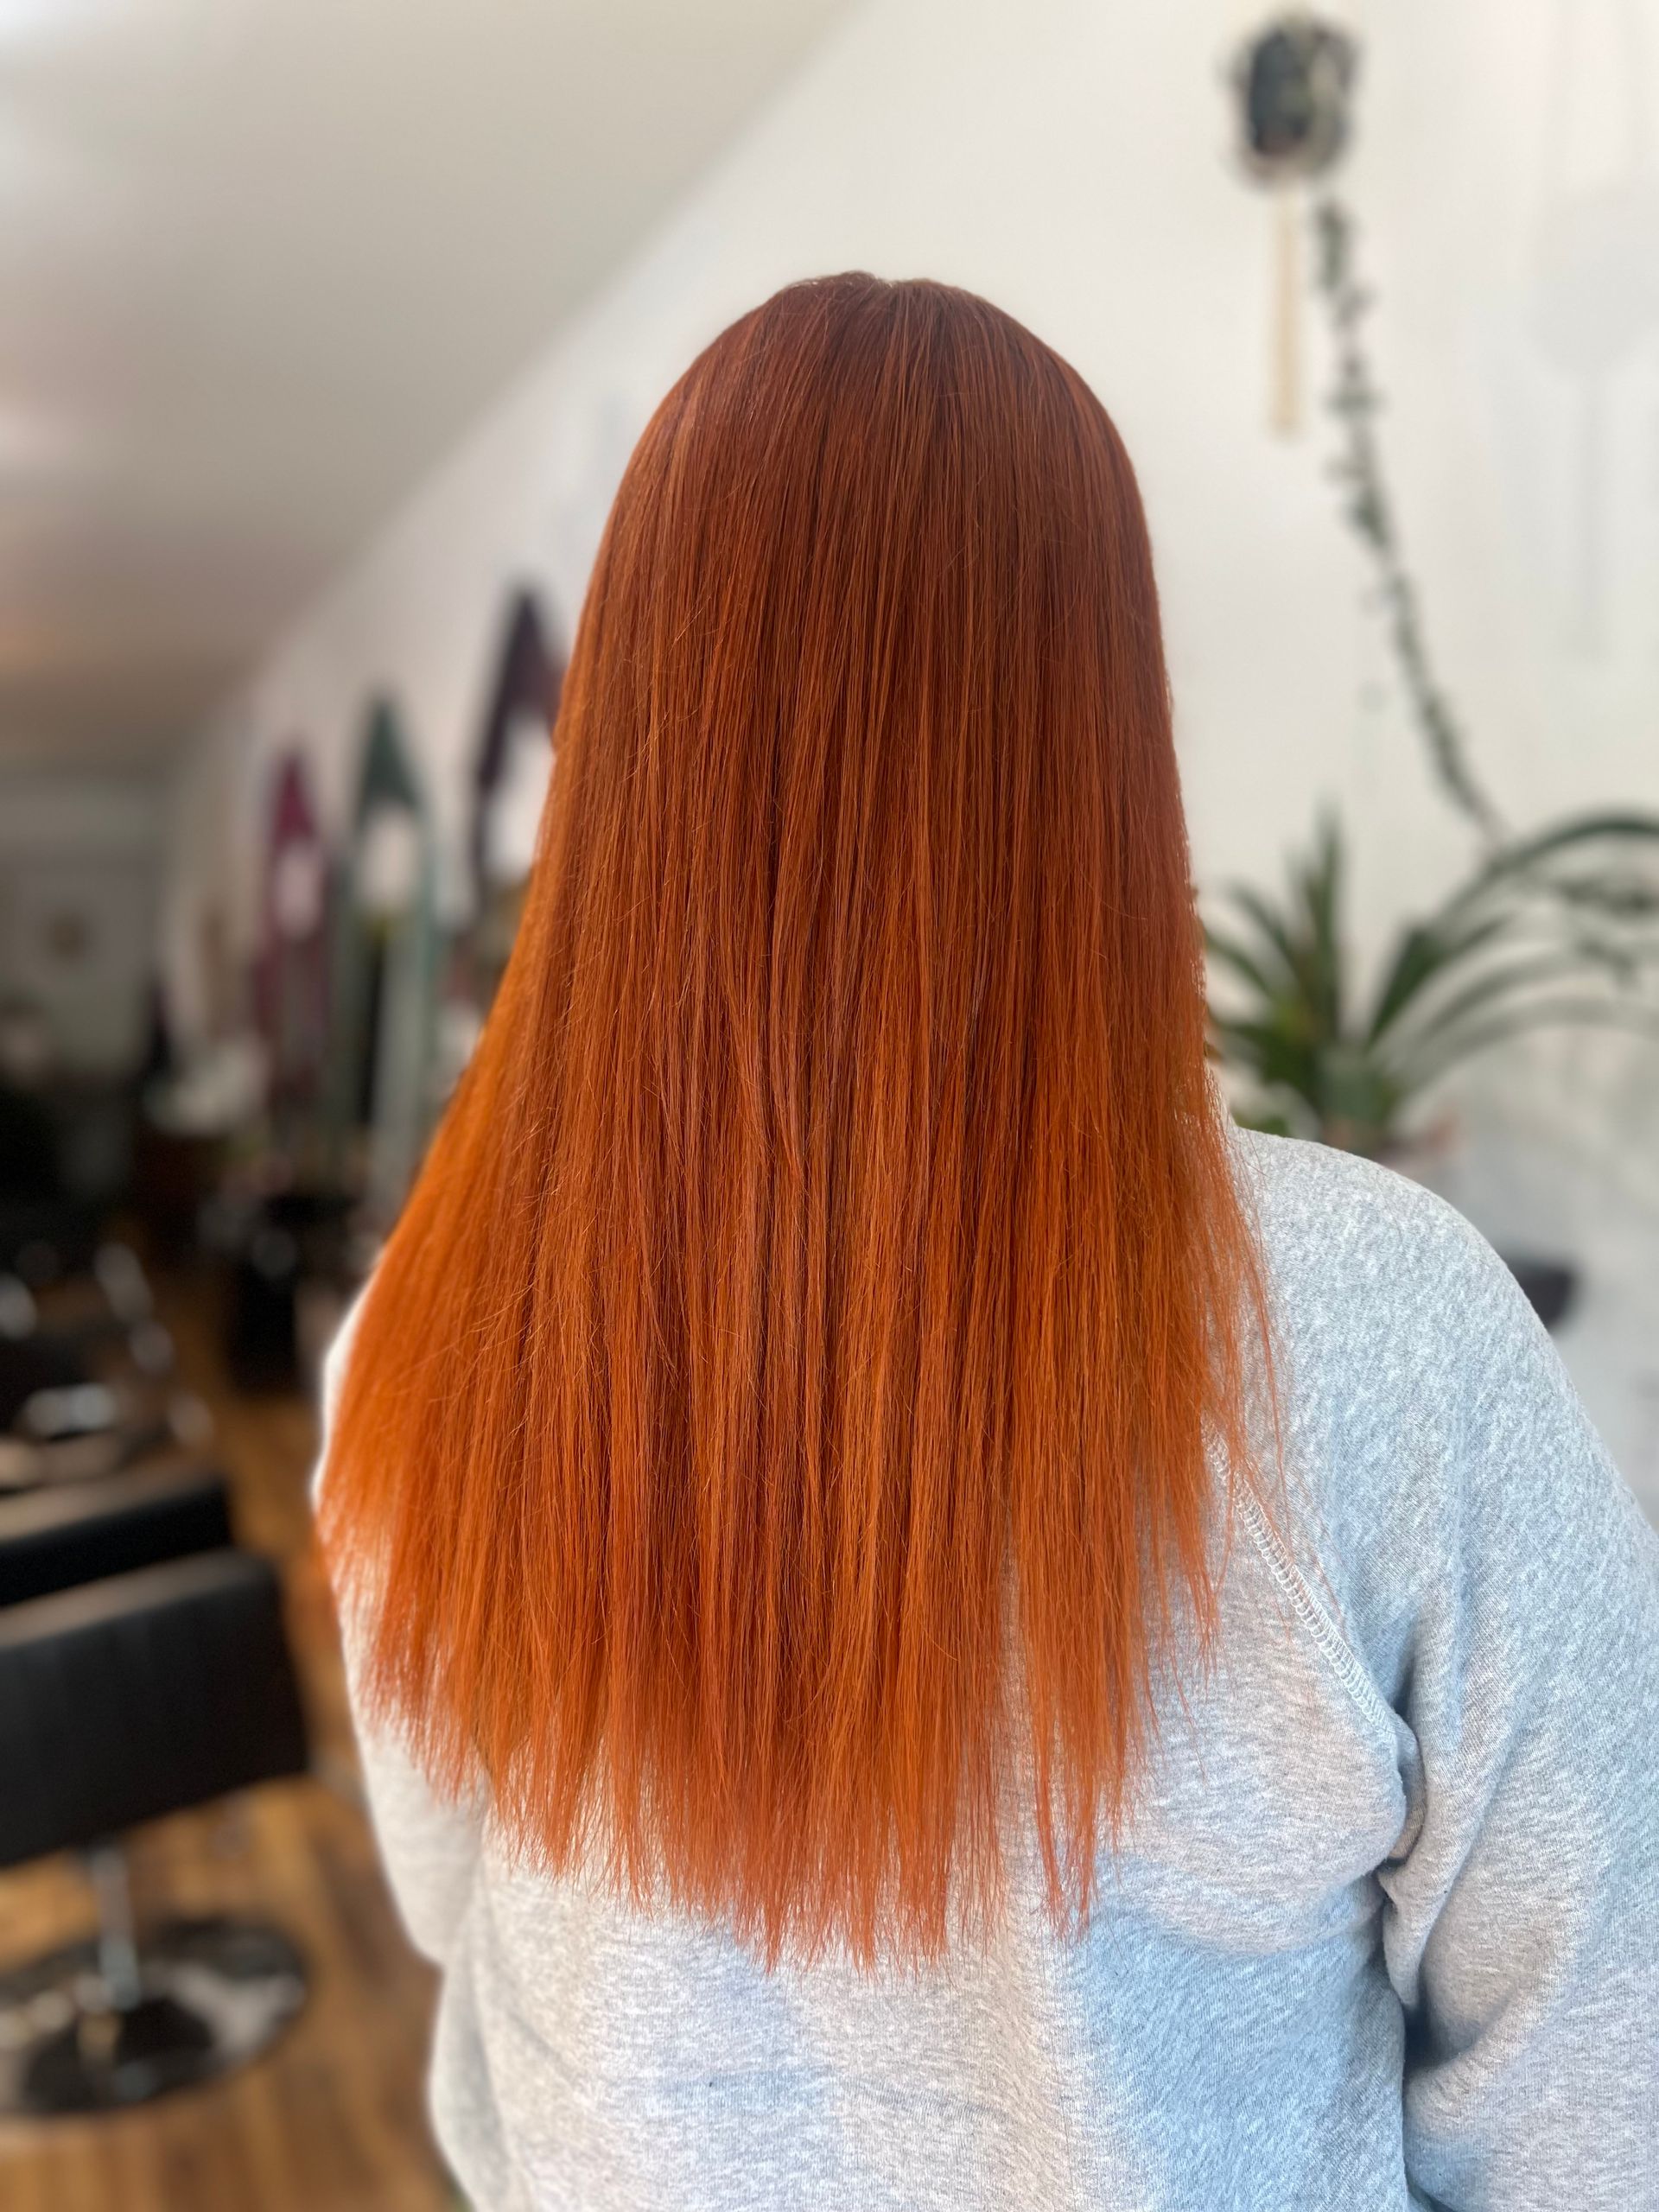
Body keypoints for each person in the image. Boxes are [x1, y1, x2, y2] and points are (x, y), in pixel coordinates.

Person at [315, 274, 1659, 2211]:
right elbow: (1608, 2086)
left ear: (618, 747)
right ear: (1096, 736)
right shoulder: (1367, 1327)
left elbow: (461, 1917)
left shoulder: (418, 1334)